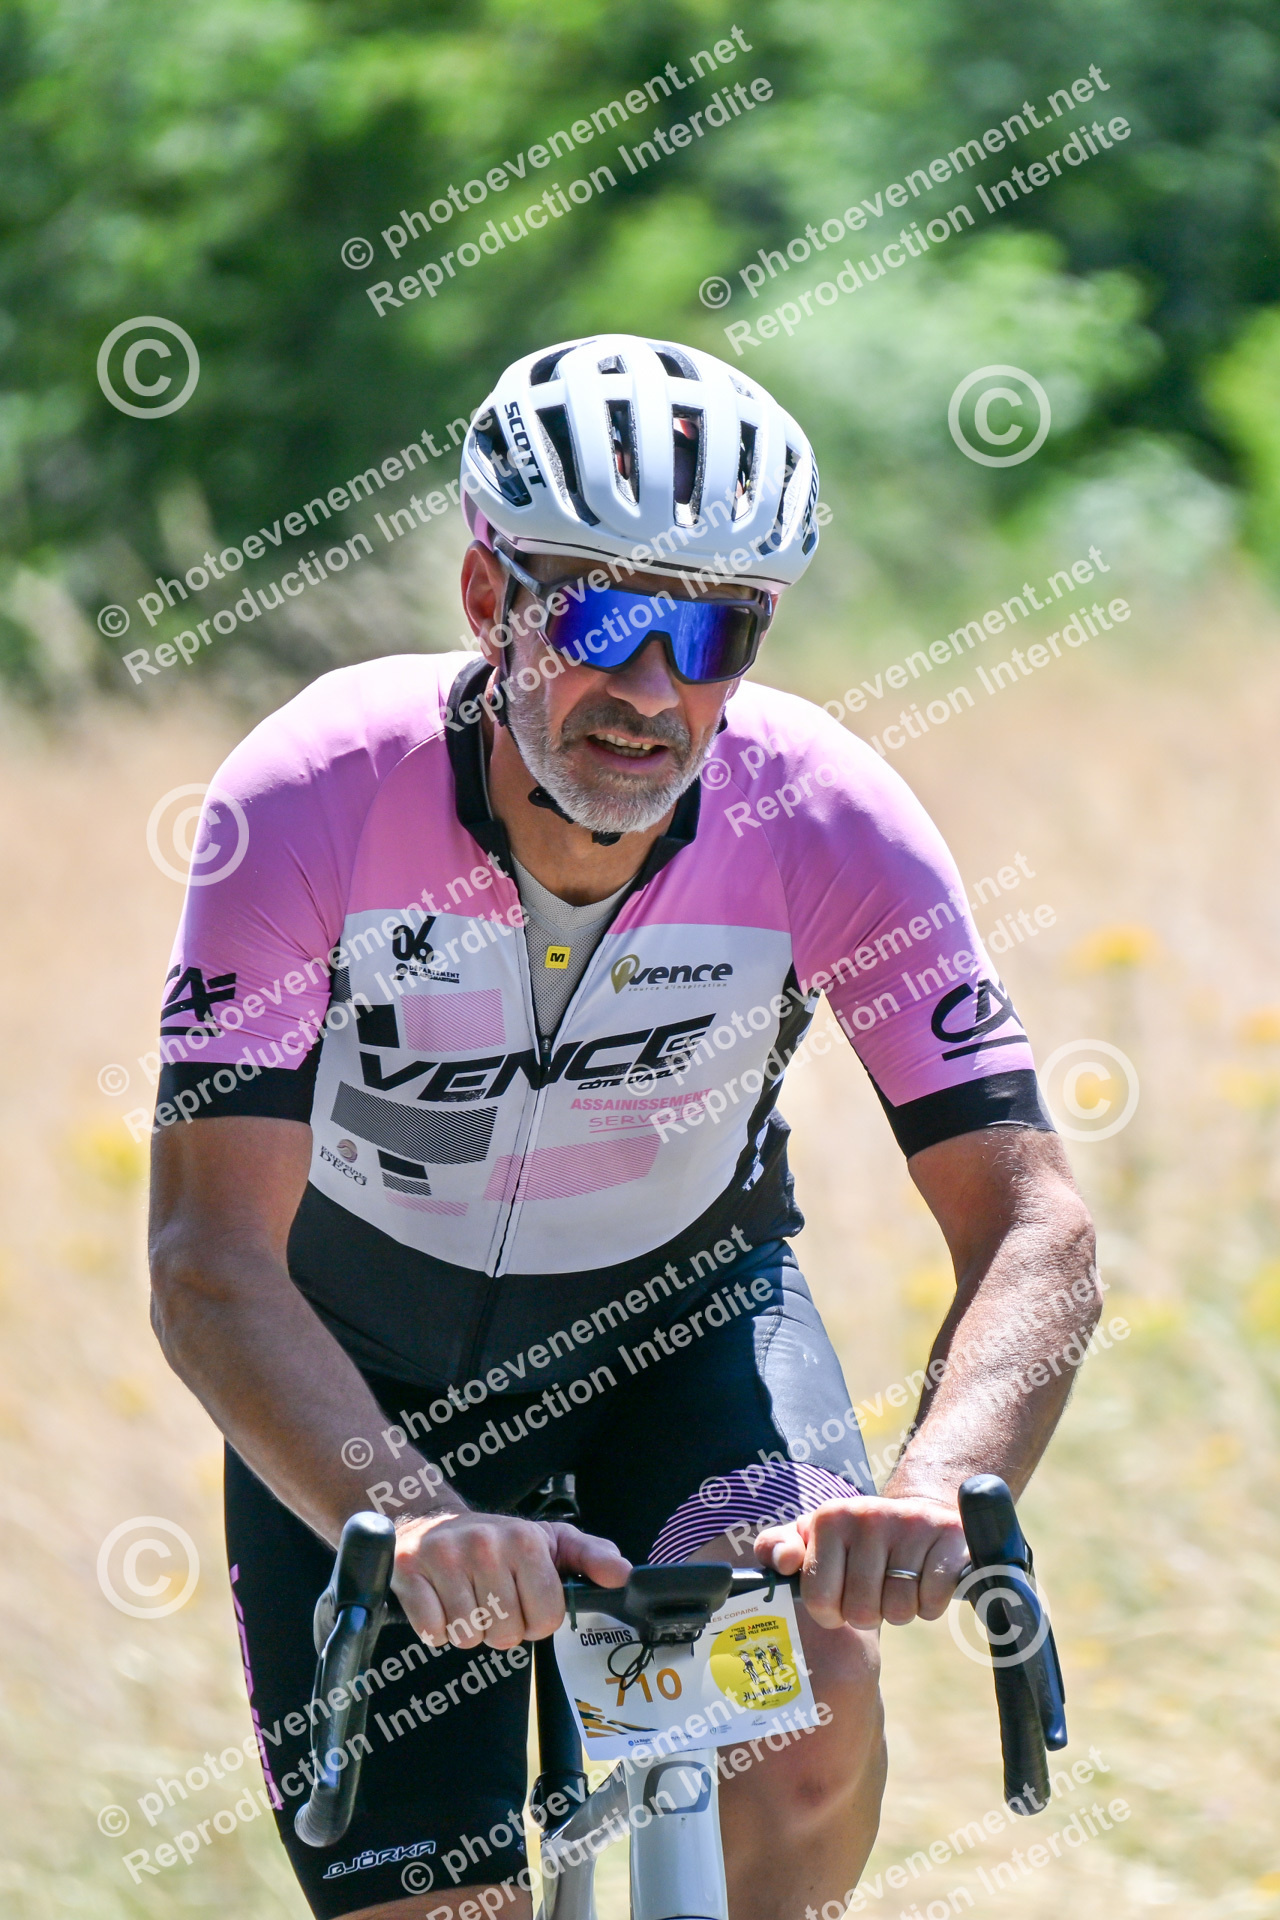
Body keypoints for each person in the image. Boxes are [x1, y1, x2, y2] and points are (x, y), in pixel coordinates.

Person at [149, 332, 1098, 1920]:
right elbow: (208, 1260)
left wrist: (945, 1481)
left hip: (683, 1340)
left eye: (713, 632)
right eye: (600, 618)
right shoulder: (313, 789)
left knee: (803, 1712)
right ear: (488, 600)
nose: (652, 690)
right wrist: (411, 1517)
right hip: (366, 1373)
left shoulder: (825, 814)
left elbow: (1034, 1225)